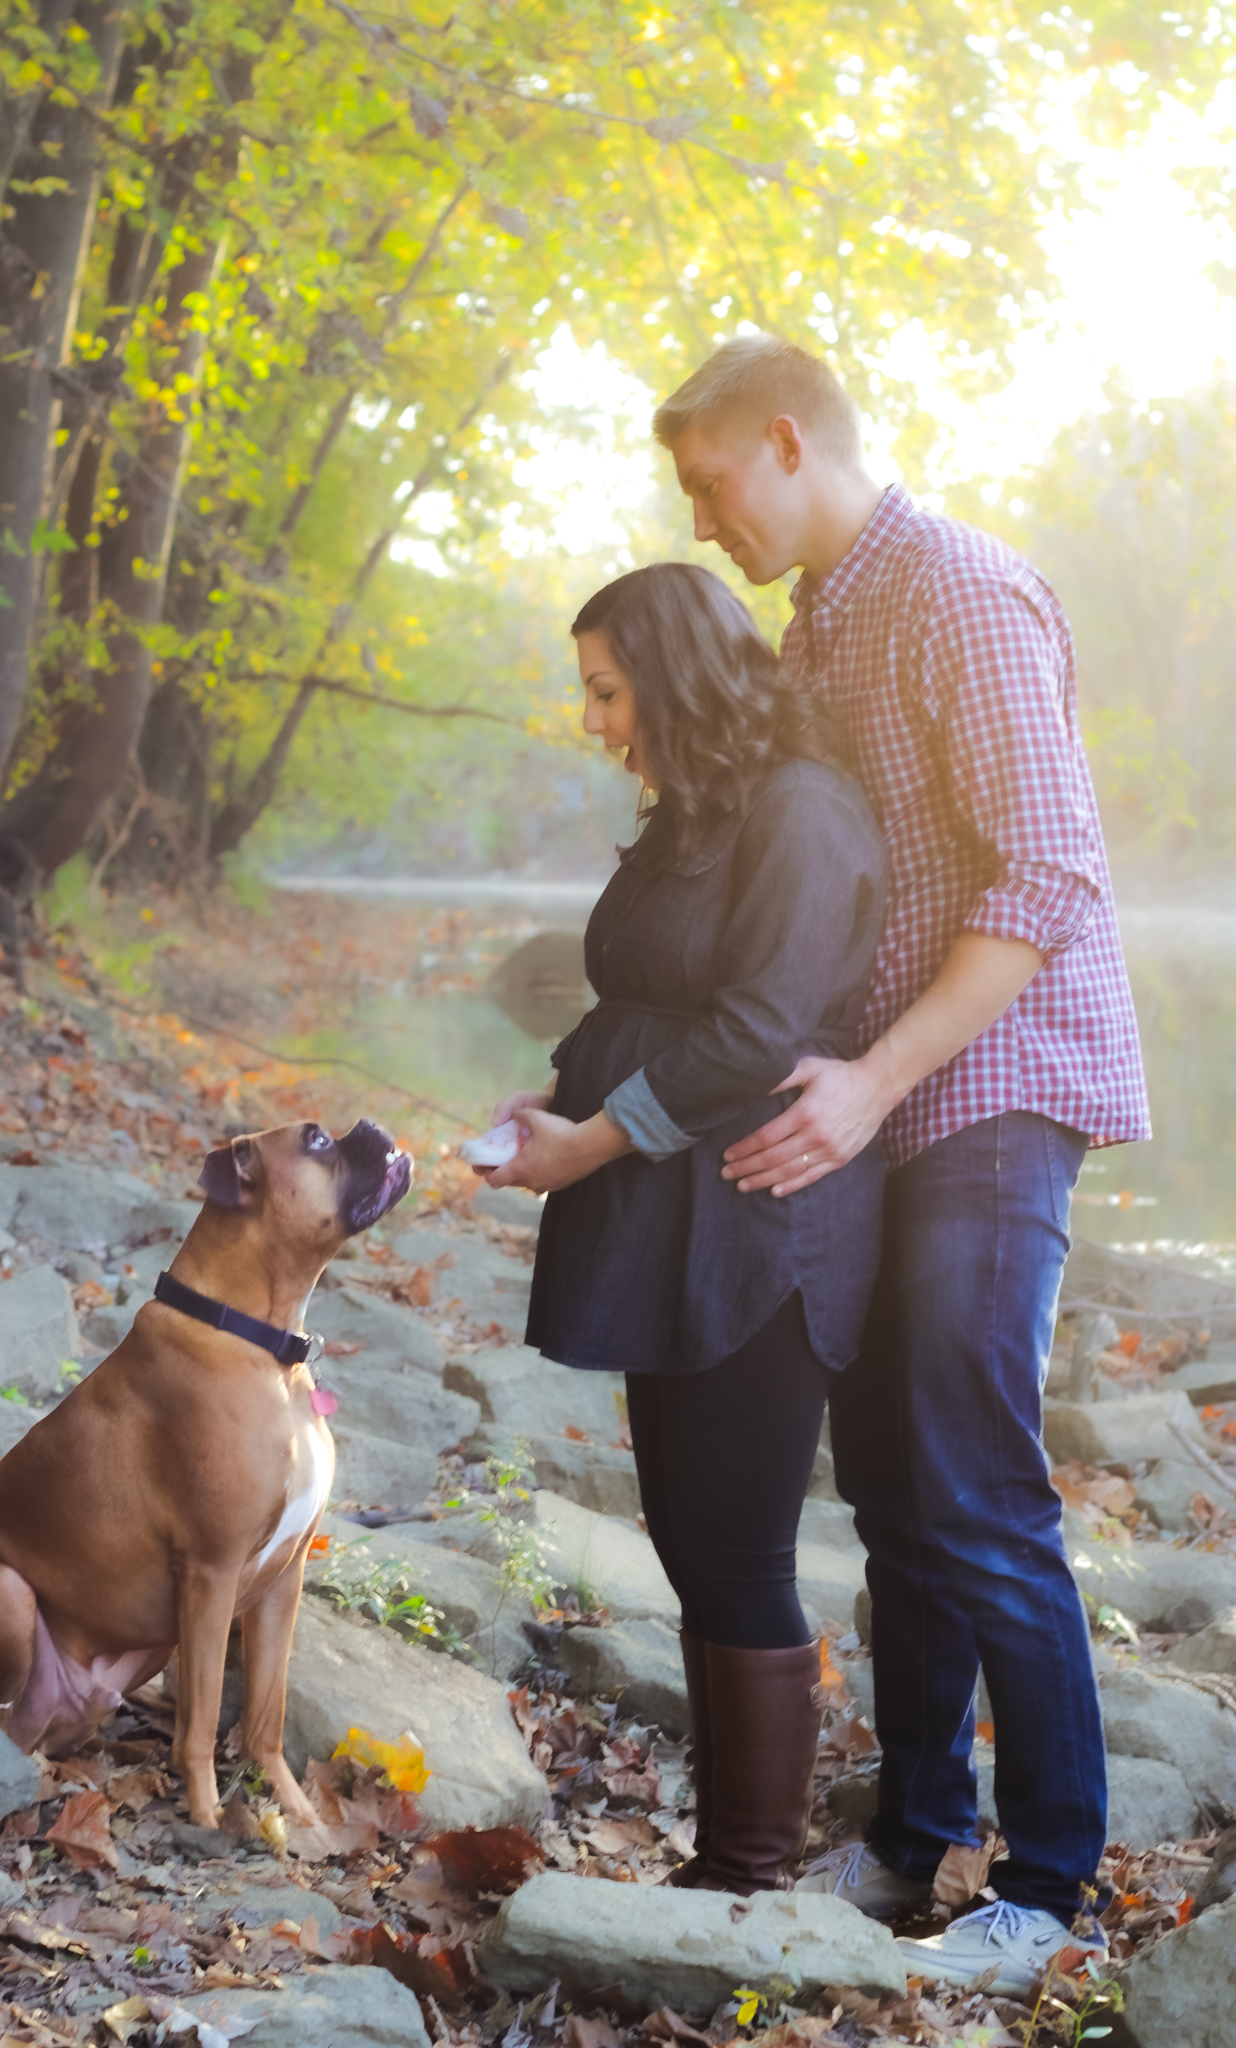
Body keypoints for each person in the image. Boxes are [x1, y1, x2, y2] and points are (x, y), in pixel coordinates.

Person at [633, 335, 1150, 1995]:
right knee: (889, 1486)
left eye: (710, 482)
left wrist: (865, 1083)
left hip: (990, 1087)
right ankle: (915, 1832)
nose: (703, 518)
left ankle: (1050, 1882)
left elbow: (1049, 873)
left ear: (785, 443)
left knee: (974, 1480)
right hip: (882, 1103)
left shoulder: (959, 592)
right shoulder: (824, 618)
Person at [480, 561, 887, 1895]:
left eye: (606, 690)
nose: (594, 721)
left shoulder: (805, 813)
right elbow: (648, 998)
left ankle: (749, 1870)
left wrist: (589, 1140)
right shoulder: (686, 816)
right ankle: (724, 1862)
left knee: (735, 1544)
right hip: (664, 1207)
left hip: (759, 1216)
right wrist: (559, 1091)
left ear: (672, 674)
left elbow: (760, 1029)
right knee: (683, 1532)